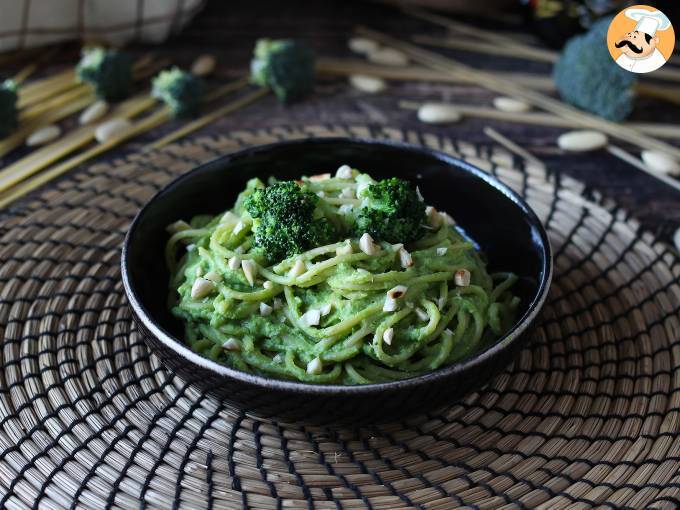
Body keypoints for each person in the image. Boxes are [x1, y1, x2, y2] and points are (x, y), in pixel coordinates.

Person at [614, 8, 671, 73]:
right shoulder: (622, 56)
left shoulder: (657, 61)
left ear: (654, 41)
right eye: (630, 35)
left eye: (635, 37)